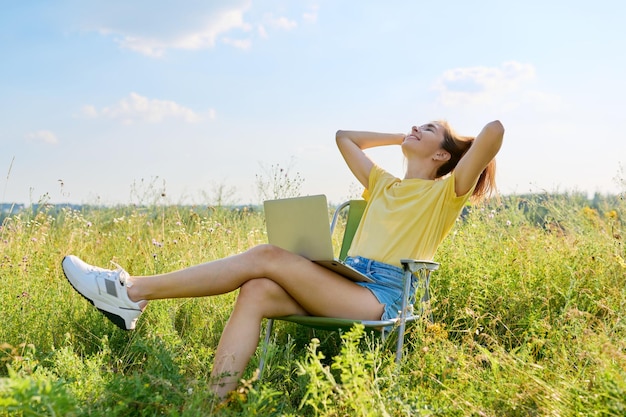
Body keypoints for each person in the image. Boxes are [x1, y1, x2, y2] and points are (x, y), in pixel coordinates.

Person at [62, 119, 504, 399]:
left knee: (267, 256)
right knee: (256, 289)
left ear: (442, 155)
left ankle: (132, 290)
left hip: (381, 296)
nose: (415, 127)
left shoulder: (447, 193)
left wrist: (458, 141)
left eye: (426, 129)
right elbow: (343, 137)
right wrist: (403, 136)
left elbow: (495, 131)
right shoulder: (384, 183)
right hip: (346, 281)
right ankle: (213, 401)